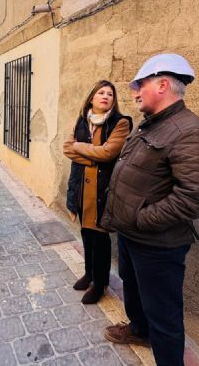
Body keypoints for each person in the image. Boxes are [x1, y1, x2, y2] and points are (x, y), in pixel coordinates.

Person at [100, 54, 199, 366]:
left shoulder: (191, 131)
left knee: (163, 315)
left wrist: (142, 219)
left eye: (140, 84)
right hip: (132, 235)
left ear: (163, 84)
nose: (135, 92)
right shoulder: (151, 125)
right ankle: (139, 330)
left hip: (157, 244)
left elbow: (196, 197)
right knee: (133, 287)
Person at [63, 80, 132, 304]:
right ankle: (89, 274)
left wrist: (80, 148)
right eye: (101, 92)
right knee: (86, 233)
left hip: (103, 190)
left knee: (100, 238)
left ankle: (100, 284)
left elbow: (108, 153)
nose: (105, 96)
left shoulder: (120, 123)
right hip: (82, 188)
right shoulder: (82, 120)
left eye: (110, 94)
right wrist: (93, 157)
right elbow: (67, 148)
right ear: (92, 97)